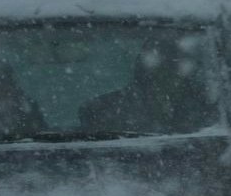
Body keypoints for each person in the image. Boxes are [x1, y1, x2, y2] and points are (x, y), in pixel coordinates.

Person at [77, 36, 215, 134]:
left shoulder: (213, 110)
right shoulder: (104, 109)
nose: (167, 76)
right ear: (143, 71)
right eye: (159, 68)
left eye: (176, 67)